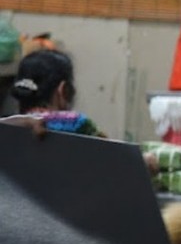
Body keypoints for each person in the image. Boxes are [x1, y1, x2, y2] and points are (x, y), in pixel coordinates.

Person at [6, 49, 159, 172]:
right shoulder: (73, 124)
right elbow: (116, 156)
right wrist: (146, 160)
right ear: (63, 91)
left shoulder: (10, 128)